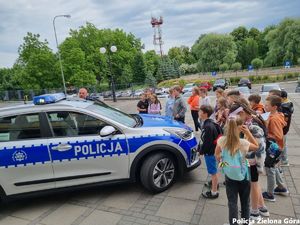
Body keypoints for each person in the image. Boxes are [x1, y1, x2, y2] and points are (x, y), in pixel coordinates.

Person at [215, 116, 258, 225]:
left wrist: (224, 164)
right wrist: (248, 132)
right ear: (240, 128)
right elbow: (257, 146)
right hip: (244, 175)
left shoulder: (221, 141)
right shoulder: (243, 143)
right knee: (245, 202)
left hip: (229, 175)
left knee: (232, 202)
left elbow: (217, 155)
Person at [229, 102, 269, 219]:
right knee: (255, 184)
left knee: (253, 185)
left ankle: (255, 212)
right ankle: (262, 207)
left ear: (242, 113)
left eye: (235, 117)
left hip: (252, 162)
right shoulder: (250, 121)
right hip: (250, 161)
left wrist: (259, 166)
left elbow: (260, 148)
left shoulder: (253, 126)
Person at [262, 95, 289, 202]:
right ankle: (281, 188)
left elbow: (278, 136)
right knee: (275, 167)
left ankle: (269, 194)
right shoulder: (278, 115)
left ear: (274, 107)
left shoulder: (274, 119)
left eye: (267, 105)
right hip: (277, 148)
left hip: (273, 148)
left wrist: (266, 135)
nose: (265, 106)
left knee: (270, 170)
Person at [199, 105, 222, 199]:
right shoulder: (212, 123)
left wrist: (201, 151)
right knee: (215, 170)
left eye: (200, 111)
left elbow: (207, 142)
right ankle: (214, 184)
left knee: (213, 172)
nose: (198, 113)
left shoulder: (207, 126)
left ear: (205, 113)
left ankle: (214, 192)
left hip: (210, 152)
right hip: (214, 151)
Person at [280, 90, 294, 166]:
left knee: (282, 145)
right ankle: (284, 160)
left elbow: (284, 121)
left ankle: (285, 161)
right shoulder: (288, 104)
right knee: (283, 144)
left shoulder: (285, 107)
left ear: (284, 98)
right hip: (285, 129)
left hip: (283, 130)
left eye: (279, 97)